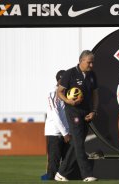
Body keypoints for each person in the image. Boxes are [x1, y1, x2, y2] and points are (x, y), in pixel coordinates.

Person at [55, 50, 99, 182]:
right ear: (81, 61)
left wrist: (94, 111)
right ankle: (87, 174)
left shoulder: (92, 75)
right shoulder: (70, 73)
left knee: (76, 143)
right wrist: (68, 101)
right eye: (89, 62)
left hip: (87, 113)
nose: (91, 65)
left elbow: (95, 94)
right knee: (79, 143)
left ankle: (61, 173)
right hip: (73, 112)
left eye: (92, 62)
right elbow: (59, 92)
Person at [44, 70, 71, 180]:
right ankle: (49, 179)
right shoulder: (53, 94)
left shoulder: (68, 94)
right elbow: (55, 116)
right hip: (54, 132)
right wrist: (65, 133)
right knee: (54, 162)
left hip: (65, 132)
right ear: (59, 81)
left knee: (66, 160)